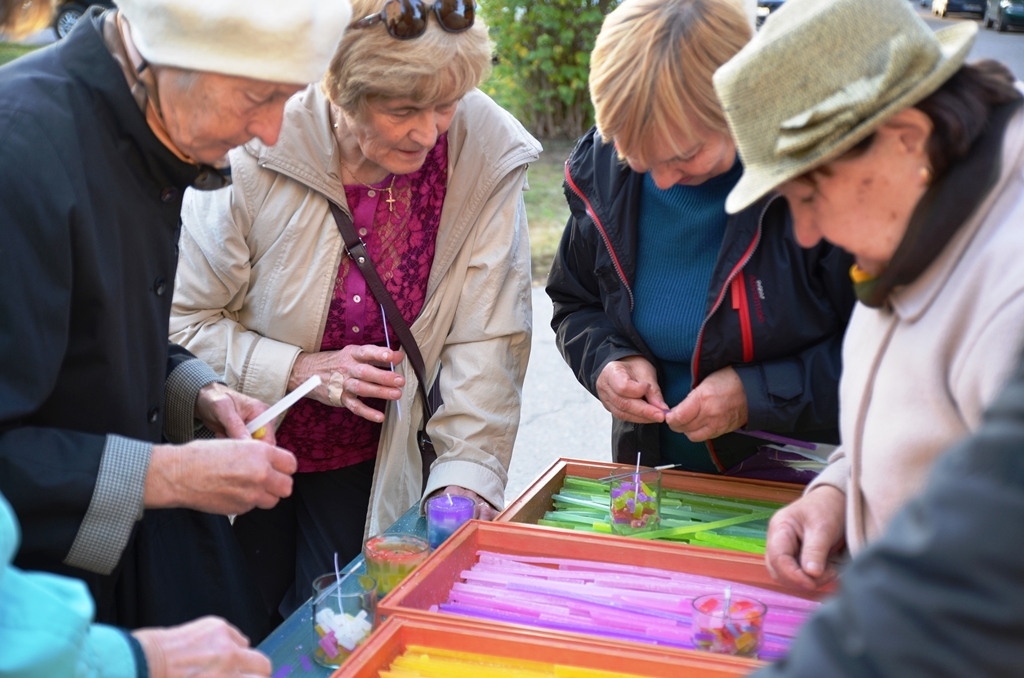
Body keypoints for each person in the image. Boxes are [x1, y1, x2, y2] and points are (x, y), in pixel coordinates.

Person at [170, 0, 539, 621]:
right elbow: (180, 324)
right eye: (402, 111)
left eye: (447, 104)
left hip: (369, 463)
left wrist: (466, 473)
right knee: (228, 633)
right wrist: (297, 368)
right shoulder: (254, 140)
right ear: (341, 92)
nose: (430, 132)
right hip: (234, 448)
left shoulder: (485, 150)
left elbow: (487, 337)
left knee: (331, 634)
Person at [0, 0, 352, 643]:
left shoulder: (146, 126)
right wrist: (168, 474)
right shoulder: (19, 149)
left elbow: (98, 330)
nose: (270, 132)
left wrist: (199, 390)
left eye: (288, 99)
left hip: (118, 558)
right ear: (169, 56)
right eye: (257, 96)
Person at [713, 0, 1024, 590]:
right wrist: (839, 494)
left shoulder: (1011, 290)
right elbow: (930, 431)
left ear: (907, 140)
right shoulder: (912, 221)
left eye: (809, 196)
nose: (805, 234)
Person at [546, 0, 855, 479]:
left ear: (741, 102)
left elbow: (887, 357)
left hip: (806, 484)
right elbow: (575, 302)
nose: (663, 182)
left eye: (684, 155)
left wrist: (756, 396)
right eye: (639, 157)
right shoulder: (604, 174)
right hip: (654, 478)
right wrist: (608, 360)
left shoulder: (816, 181)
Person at [752, 349, 1024, 677]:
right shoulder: (878, 298)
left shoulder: (1008, 313)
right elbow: (890, 420)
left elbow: (965, 577)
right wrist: (837, 491)